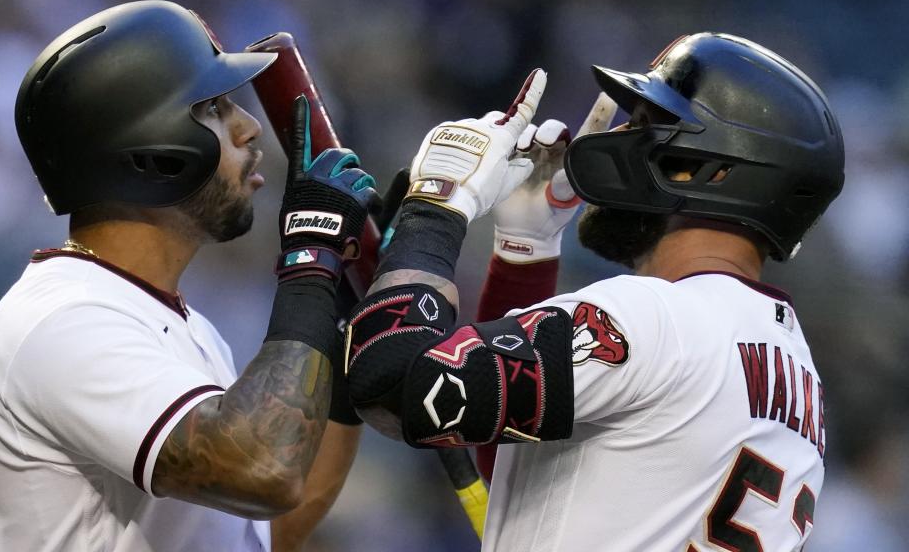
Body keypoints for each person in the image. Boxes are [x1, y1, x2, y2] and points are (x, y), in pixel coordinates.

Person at [342, 33, 845, 550]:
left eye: (648, 124)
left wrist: (437, 207)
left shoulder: (653, 315)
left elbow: (394, 384)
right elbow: (524, 460)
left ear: (709, 168)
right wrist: (525, 251)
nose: (619, 134)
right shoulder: (800, 376)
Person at [0, 0, 376, 552]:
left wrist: (343, 313)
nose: (250, 127)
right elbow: (262, 470)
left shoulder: (177, 323)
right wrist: (310, 256)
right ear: (149, 149)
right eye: (213, 107)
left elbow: (273, 522)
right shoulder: (62, 320)